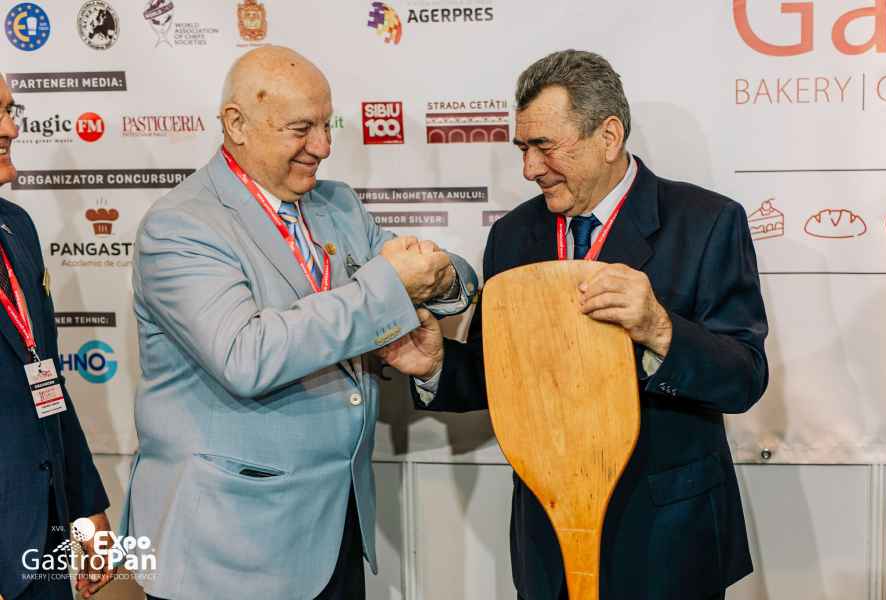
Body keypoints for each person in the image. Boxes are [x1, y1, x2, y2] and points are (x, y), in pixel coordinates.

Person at [380, 50, 769, 600]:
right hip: (549, 542)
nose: (529, 168)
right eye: (522, 148)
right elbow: (500, 375)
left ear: (608, 136)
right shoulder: (513, 235)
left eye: (544, 146)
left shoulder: (708, 222)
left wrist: (660, 328)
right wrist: (437, 364)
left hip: (668, 541)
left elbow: (744, 378)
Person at [120, 46, 477, 600]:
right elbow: (247, 355)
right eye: (301, 129)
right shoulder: (182, 226)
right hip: (229, 548)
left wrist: (443, 276)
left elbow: (446, 275)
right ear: (236, 124)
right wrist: (391, 288)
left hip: (334, 530)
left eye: (327, 125)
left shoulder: (338, 205)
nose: (323, 146)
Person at [0, 74, 114, 599]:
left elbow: (45, 379)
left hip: (40, 534)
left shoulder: (17, 227)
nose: (10, 129)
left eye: (9, 110)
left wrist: (86, 509)